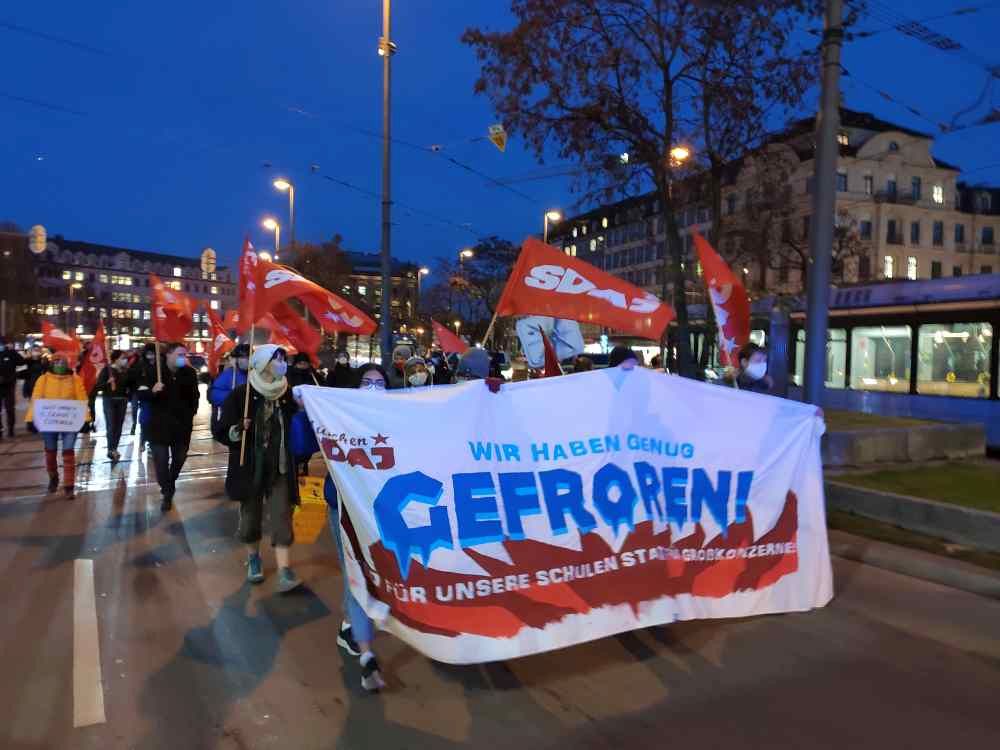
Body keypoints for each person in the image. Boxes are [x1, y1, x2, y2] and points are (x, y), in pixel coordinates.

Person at [326, 362, 390, 691]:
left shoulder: (396, 419)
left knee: (370, 575)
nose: (373, 388)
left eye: (380, 383)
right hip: (345, 512)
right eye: (367, 382)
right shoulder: (337, 417)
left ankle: (349, 624)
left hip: (379, 515)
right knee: (358, 579)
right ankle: (367, 657)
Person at [218, 345, 302, 593]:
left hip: (280, 467)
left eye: (283, 359)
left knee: (281, 517)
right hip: (250, 469)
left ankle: (285, 570)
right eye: (276, 359)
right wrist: (238, 428)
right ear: (262, 363)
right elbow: (221, 431)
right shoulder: (241, 395)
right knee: (250, 518)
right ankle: (254, 559)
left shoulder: (287, 394)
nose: (281, 363)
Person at [140, 342, 199, 511]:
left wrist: (191, 413)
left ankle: (171, 481)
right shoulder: (153, 372)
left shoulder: (189, 373)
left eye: (185, 355)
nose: (183, 358)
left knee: (180, 457)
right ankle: (167, 490)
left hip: (182, 426)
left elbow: (195, 396)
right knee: (161, 460)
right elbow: (140, 394)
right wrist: (152, 392)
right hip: (159, 426)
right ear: (169, 355)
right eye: (180, 355)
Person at [25, 350, 89, 498]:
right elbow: (36, 399)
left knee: (68, 452)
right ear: (51, 363)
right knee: (50, 452)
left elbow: (82, 399)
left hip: (70, 423)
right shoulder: (43, 379)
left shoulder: (75, 379)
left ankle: (69, 486)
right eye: (56, 361)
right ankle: (53, 477)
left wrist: (85, 419)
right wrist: (31, 419)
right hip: (49, 423)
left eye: (61, 361)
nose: (59, 364)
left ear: (66, 363)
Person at [95, 350, 132, 462]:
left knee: (119, 426)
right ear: (116, 359)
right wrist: (107, 382)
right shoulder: (107, 370)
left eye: (125, 358)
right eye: (122, 358)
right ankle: (111, 449)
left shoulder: (126, 371)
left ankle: (114, 448)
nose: (124, 360)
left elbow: (131, 384)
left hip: (122, 400)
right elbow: (98, 386)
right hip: (109, 400)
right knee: (111, 425)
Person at [209, 343, 249, 435]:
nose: (247, 360)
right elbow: (215, 395)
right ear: (236, 359)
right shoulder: (228, 375)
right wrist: (234, 397)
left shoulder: (256, 374)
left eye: (249, 356)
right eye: (243, 357)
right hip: (235, 420)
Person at [0, 337, 25, 440]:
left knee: (10, 408)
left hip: (9, 384)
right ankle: (0, 430)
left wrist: (12, 351)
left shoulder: (10, 353)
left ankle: (10, 429)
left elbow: (21, 362)